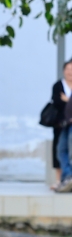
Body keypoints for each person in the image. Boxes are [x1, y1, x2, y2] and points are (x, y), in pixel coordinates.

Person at [49, 61, 72, 189]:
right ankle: (64, 178)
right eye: (68, 69)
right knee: (60, 150)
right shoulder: (59, 85)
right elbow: (56, 101)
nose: (70, 72)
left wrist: (67, 100)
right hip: (61, 124)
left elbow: (64, 101)